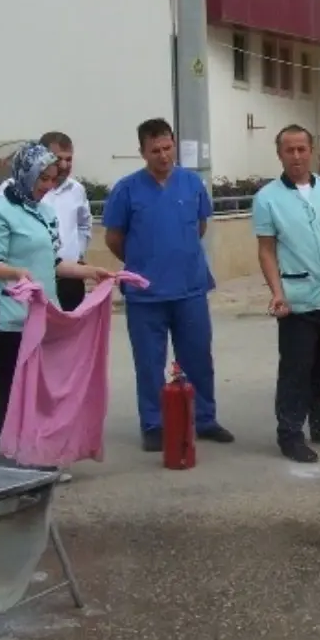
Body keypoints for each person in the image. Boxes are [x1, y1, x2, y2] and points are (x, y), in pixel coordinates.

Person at [103, 118, 234, 452]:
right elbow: (114, 238)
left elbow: (200, 226)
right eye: (155, 150)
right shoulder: (126, 189)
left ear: (174, 144)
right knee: (149, 363)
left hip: (190, 288)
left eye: (167, 148)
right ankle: (154, 424)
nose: (163, 156)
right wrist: (142, 262)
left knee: (199, 358)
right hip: (146, 294)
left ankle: (204, 418)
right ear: (142, 152)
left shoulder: (192, 184)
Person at [0, 143, 111, 470]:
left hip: (40, 317)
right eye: (43, 178)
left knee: (38, 393)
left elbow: (52, 263)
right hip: (8, 319)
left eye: (52, 179)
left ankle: (39, 457)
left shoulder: (44, 212)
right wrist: (16, 273)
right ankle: (10, 463)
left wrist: (91, 271)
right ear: (26, 174)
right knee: (11, 396)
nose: (48, 186)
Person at [254, 125, 320, 463]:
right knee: (297, 370)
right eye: (289, 150)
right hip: (297, 299)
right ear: (279, 154)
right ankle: (290, 434)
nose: (296, 156)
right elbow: (267, 250)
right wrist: (277, 292)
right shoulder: (267, 198)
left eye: (301, 149)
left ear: (310, 151)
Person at [0, 131, 93, 312]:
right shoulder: (8, 196)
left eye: (69, 159)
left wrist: (81, 258)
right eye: (58, 158)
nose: (64, 164)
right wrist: (13, 262)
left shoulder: (71, 193)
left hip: (64, 276)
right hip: (20, 291)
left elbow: (84, 225)